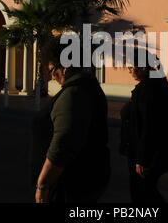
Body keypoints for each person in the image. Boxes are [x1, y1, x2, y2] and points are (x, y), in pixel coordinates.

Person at [30, 44, 110, 203]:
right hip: (85, 178)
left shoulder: (73, 94)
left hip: (68, 183)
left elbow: (63, 143)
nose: (52, 76)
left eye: (53, 70)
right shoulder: (88, 87)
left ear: (65, 68)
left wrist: (43, 184)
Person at [120, 55, 168, 203]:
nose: (129, 71)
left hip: (147, 155)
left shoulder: (148, 89)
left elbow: (149, 126)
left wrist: (142, 159)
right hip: (145, 153)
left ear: (143, 67)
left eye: (130, 67)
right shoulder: (151, 86)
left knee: (144, 194)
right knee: (145, 192)